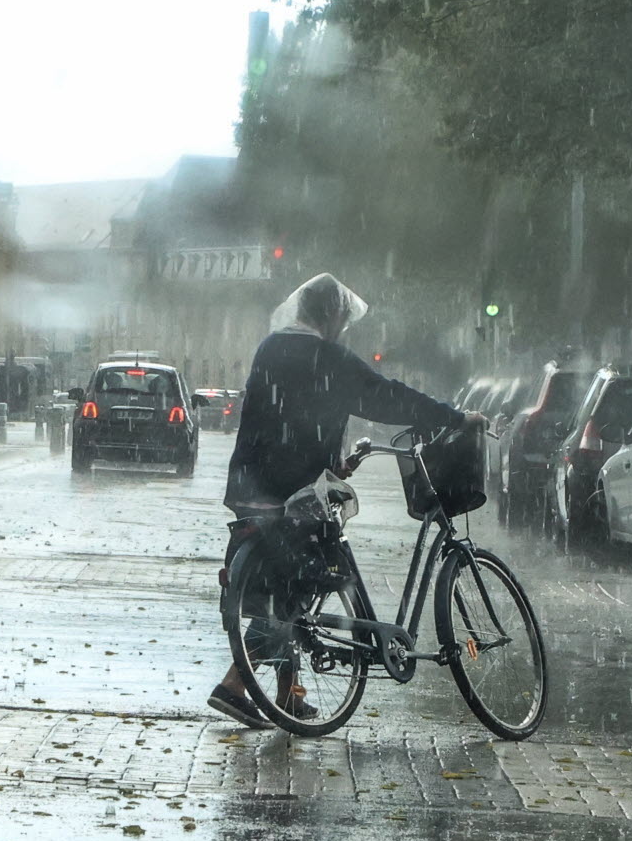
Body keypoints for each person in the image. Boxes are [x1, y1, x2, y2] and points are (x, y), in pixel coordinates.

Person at [208, 272, 486, 728]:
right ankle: (235, 684)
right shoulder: (329, 356)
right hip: (295, 493)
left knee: (283, 583)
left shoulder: (271, 347)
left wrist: (329, 463)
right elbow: (386, 396)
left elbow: (280, 417)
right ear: (332, 315)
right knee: (305, 584)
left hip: (252, 487)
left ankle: (288, 695)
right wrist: (453, 417)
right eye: (341, 318)